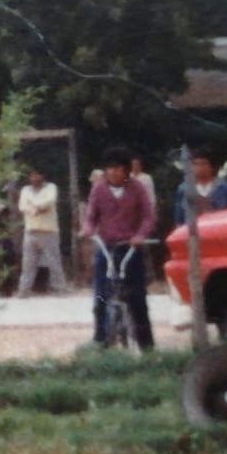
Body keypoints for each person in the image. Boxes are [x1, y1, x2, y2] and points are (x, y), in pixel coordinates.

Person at [80, 148, 156, 349]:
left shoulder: (137, 188)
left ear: (127, 171)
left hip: (130, 248)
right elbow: (91, 217)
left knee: (137, 297)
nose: (114, 173)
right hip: (107, 247)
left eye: (119, 169)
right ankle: (100, 340)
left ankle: (146, 344)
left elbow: (149, 217)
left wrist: (140, 235)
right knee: (100, 295)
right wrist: (88, 229)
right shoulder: (99, 189)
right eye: (110, 169)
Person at [15, 168, 68, 296]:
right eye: (32, 175)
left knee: (53, 261)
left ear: (42, 175)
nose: (34, 178)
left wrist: (35, 207)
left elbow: (49, 200)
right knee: (28, 263)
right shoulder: (25, 190)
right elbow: (22, 206)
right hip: (31, 230)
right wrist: (35, 208)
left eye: (37, 174)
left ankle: (60, 288)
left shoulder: (50, 187)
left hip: (48, 230)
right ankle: (24, 290)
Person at [173, 147, 227, 227]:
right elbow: (179, 218)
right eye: (196, 164)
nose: (199, 168)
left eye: (203, 164)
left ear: (211, 166)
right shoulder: (184, 189)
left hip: (217, 230)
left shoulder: (223, 187)